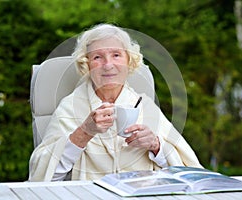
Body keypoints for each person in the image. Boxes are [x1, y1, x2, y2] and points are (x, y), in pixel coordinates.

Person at [28, 23, 202, 181]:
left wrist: (155, 145)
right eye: (97, 57)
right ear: (86, 65)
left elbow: (188, 173)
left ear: (129, 61)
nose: (108, 65)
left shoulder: (145, 105)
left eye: (116, 55)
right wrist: (84, 133)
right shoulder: (70, 107)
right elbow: (43, 178)